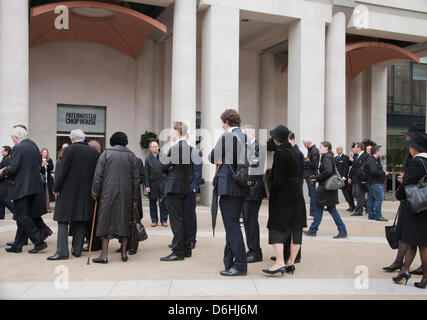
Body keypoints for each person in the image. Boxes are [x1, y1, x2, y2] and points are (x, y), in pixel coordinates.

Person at [47, 129, 100, 260]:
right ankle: (77, 249)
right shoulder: (94, 152)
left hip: (68, 191)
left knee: (63, 220)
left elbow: (63, 171)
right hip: (87, 192)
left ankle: (62, 251)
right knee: (82, 219)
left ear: (71, 139)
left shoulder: (70, 150)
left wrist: (56, 187)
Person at [209, 109, 249, 277]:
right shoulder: (244, 136)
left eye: (222, 122)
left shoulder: (227, 136)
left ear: (226, 122)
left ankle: (240, 265)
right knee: (233, 226)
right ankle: (229, 261)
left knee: (232, 228)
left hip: (229, 187)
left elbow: (212, 157)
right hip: (240, 186)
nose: (221, 125)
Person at [263, 125, 306, 276]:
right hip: (296, 193)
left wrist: (271, 191)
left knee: (277, 227)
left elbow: (278, 178)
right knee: (296, 228)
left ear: (277, 139)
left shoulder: (280, 153)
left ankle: (280, 262)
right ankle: (290, 262)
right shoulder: (295, 152)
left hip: (283, 195)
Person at [92, 132, 140, 264]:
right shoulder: (131, 156)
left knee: (105, 221)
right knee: (124, 221)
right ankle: (124, 253)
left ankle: (104, 255)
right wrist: (135, 196)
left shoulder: (106, 154)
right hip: (126, 194)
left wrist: (95, 192)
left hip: (107, 193)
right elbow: (136, 179)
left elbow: (98, 176)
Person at [383, 123, 424, 276]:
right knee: (407, 234)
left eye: (408, 136)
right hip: (410, 197)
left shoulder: (419, 156)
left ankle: (414, 267)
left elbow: (416, 176)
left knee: (415, 238)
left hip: (416, 199)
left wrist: (405, 181)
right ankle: (401, 263)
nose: (406, 138)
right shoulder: (413, 153)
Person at [1, 125, 49, 253]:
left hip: (21, 186)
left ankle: (38, 241)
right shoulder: (32, 145)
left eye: (13, 138)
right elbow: (38, 163)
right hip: (32, 185)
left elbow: (13, 168)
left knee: (22, 215)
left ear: (16, 137)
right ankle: (18, 245)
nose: (12, 140)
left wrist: (3, 172)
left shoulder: (18, 148)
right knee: (23, 215)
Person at [392, 132, 427, 289]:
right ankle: (404, 271)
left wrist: (399, 193)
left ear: (415, 148)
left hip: (415, 207)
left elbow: (406, 184)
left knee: (421, 244)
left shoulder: (417, 162)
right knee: (413, 241)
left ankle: (426, 277)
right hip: (423, 205)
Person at [160, 122, 193, 261]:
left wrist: (170, 167)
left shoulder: (175, 148)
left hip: (174, 187)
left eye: (171, 130)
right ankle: (186, 249)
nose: (169, 133)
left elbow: (162, 167)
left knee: (176, 221)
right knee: (184, 219)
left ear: (178, 131)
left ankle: (178, 251)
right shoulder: (188, 148)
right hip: (184, 186)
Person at [304, 141, 348, 239]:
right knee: (327, 209)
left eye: (321, 147)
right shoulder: (327, 156)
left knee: (323, 208)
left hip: (325, 188)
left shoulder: (327, 157)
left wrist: (317, 178)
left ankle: (314, 230)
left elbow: (328, 171)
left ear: (326, 148)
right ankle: (314, 230)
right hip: (327, 189)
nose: (319, 148)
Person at [241, 125, 266, 263]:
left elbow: (254, 171)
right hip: (248, 190)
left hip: (253, 190)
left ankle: (256, 251)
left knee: (251, 222)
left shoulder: (257, 147)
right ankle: (252, 249)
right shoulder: (248, 147)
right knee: (247, 222)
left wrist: (244, 183)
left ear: (249, 134)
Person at [144, 140, 168, 227]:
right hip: (152, 184)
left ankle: (164, 220)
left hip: (163, 183)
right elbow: (146, 173)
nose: (155, 148)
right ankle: (154, 220)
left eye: (157, 146)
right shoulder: (148, 159)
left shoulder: (164, 157)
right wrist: (147, 185)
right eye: (153, 147)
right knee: (152, 203)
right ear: (150, 149)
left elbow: (168, 170)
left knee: (164, 203)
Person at [185, 133, 202, 250]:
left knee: (190, 215)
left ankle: (191, 240)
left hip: (190, 188)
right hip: (179, 188)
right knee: (180, 216)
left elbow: (197, 172)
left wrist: (194, 187)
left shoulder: (195, 152)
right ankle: (181, 239)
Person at [366, 146, 388, 222]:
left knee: (371, 199)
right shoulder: (372, 160)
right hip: (375, 183)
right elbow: (374, 171)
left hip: (373, 182)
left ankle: (371, 215)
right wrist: (383, 172)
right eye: (379, 151)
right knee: (379, 198)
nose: (380, 153)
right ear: (376, 152)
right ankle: (378, 216)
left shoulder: (373, 160)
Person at [348, 142, 369, 216]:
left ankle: (358, 211)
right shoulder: (356, 156)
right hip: (355, 178)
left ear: (359, 148)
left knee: (359, 195)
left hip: (360, 179)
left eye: (355, 147)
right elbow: (353, 168)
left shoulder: (365, 156)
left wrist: (365, 179)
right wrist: (350, 177)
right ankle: (368, 206)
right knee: (355, 194)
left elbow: (363, 167)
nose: (354, 149)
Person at [303, 138, 319, 218]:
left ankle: (313, 212)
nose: (304, 146)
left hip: (312, 175)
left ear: (308, 143)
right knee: (311, 193)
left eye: (304, 144)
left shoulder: (314, 150)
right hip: (309, 174)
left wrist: (307, 161)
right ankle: (313, 212)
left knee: (313, 194)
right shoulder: (310, 150)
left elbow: (315, 165)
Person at [335, 146, 355, 212]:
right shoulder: (335, 158)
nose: (337, 150)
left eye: (339, 149)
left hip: (343, 178)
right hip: (336, 178)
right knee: (342, 193)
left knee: (346, 193)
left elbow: (346, 167)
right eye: (337, 149)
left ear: (342, 150)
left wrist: (344, 177)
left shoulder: (345, 157)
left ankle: (352, 205)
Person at [0, 146, 14, 219]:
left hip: (4, 182)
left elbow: (5, 172)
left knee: (5, 200)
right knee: (1, 200)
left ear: (6, 151)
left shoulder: (7, 160)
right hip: (3, 182)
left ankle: (16, 212)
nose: (2, 152)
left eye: (3, 151)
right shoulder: (5, 159)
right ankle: (1, 216)